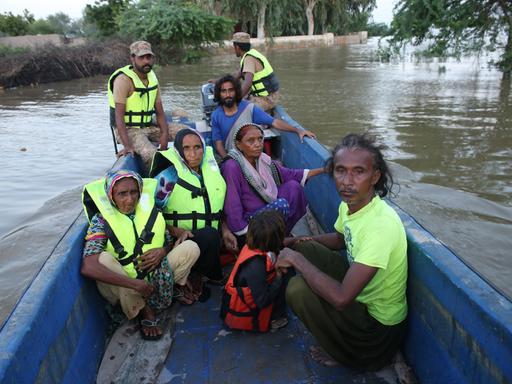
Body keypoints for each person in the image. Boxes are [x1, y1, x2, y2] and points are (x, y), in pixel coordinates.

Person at [276, 133, 408, 370]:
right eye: (340, 171)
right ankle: (300, 248)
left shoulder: (380, 226)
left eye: (359, 171)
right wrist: (298, 242)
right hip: (362, 300)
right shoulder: (351, 205)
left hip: (377, 332)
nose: (347, 181)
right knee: (303, 245)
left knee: (297, 289)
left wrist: (296, 260)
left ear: (375, 177)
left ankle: (346, 354)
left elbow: (341, 298)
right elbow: (339, 239)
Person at [81, 170, 200, 340]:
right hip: (126, 286)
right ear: (111, 195)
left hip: (156, 274)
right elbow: (88, 266)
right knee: (103, 259)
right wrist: (135, 284)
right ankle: (145, 312)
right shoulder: (100, 221)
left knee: (191, 247)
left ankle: (169, 289)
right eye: (122, 194)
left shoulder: (151, 211)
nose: (129, 199)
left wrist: (163, 251)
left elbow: (167, 241)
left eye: (133, 192)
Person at [149, 128, 238, 284]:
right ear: (178, 150)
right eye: (186, 148)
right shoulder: (168, 177)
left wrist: (225, 229)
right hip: (182, 240)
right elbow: (150, 215)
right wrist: (175, 231)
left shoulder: (210, 171)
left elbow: (216, 206)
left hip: (213, 235)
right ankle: (213, 276)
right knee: (210, 234)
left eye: (197, 147)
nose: (193, 153)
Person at [221, 123, 324, 249]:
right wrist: (244, 234)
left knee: (293, 187)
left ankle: (280, 236)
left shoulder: (262, 160)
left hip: (265, 212)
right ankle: (269, 240)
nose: (258, 144)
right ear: (238, 145)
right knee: (281, 205)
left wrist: (323, 170)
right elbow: (232, 206)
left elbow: (290, 174)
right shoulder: (232, 166)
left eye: (260, 139)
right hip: (250, 225)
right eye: (250, 141)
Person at [107, 40, 183, 173]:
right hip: (129, 129)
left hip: (148, 124)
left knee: (185, 133)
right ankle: (153, 179)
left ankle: (187, 170)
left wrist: (164, 135)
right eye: (141, 57)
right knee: (150, 154)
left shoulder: (152, 78)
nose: (146, 61)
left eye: (149, 57)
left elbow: (159, 112)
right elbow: (118, 117)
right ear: (132, 58)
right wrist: (127, 145)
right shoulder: (123, 80)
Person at [211, 74, 316, 158]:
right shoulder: (216, 116)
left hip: (251, 155)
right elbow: (218, 144)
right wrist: (227, 160)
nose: (228, 94)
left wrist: (298, 131)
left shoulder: (249, 108)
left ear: (236, 91)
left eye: (231, 90)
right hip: (232, 157)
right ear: (219, 94)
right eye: (224, 91)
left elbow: (274, 122)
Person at [221, 210, 289, 333]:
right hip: (248, 309)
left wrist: (295, 241)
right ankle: (275, 319)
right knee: (286, 276)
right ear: (275, 240)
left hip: (255, 289)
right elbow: (261, 301)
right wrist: (278, 276)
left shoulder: (255, 244)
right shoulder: (256, 266)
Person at [232, 32, 280, 112]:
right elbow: (237, 76)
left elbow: (247, 84)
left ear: (237, 47)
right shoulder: (252, 54)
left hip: (266, 99)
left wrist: (234, 102)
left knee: (237, 109)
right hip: (272, 95)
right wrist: (219, 81)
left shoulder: (248, 59)